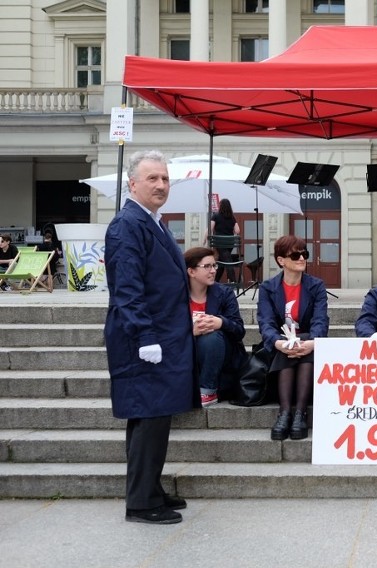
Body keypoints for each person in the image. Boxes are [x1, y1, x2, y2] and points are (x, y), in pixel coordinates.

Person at [104, 150, 195, 525]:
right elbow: (127, 288)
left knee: (156, 418)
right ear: (133, 184)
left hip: (164, 337)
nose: (161, 185)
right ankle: (141, 503)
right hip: (144, 340)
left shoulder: (151, 221)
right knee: (147, 418)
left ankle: (150, 489)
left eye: (165, 179)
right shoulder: (127, 224)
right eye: (153, 179)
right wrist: (145, 336)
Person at [257, 235, 329, 441]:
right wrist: (279, 343)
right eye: (295, 255)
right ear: (281, 260)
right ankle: (287, 412)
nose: (301, 259)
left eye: (304, 254)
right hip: (279, 348)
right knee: (289, 342)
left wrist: (312, 343)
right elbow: (266, 323)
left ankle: (298, 412)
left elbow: (320, 320)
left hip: (310, 347)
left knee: (303, 338)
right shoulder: (268, 288)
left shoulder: (316, 286)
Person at [184, 246, 248, 407]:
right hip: (188, 355)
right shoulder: (176, 296)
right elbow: (165, 332)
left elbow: (240, 331)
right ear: (191, 272)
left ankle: (208, 391)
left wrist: (221, 322)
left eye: (214, 265)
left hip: (222, 356)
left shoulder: (224, 293)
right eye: (207, 266)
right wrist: (191, 332)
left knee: (212, 336)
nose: (213, 270)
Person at [206, 198, 241, 284]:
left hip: (219, 243)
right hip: (230, 244)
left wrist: (205, 239)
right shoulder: (232, 217)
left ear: (220, 206)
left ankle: (233, 281)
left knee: (226, 260)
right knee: (223, 260)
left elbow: (210, 228)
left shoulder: (216, 216)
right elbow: (237, 230)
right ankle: (215, 281)